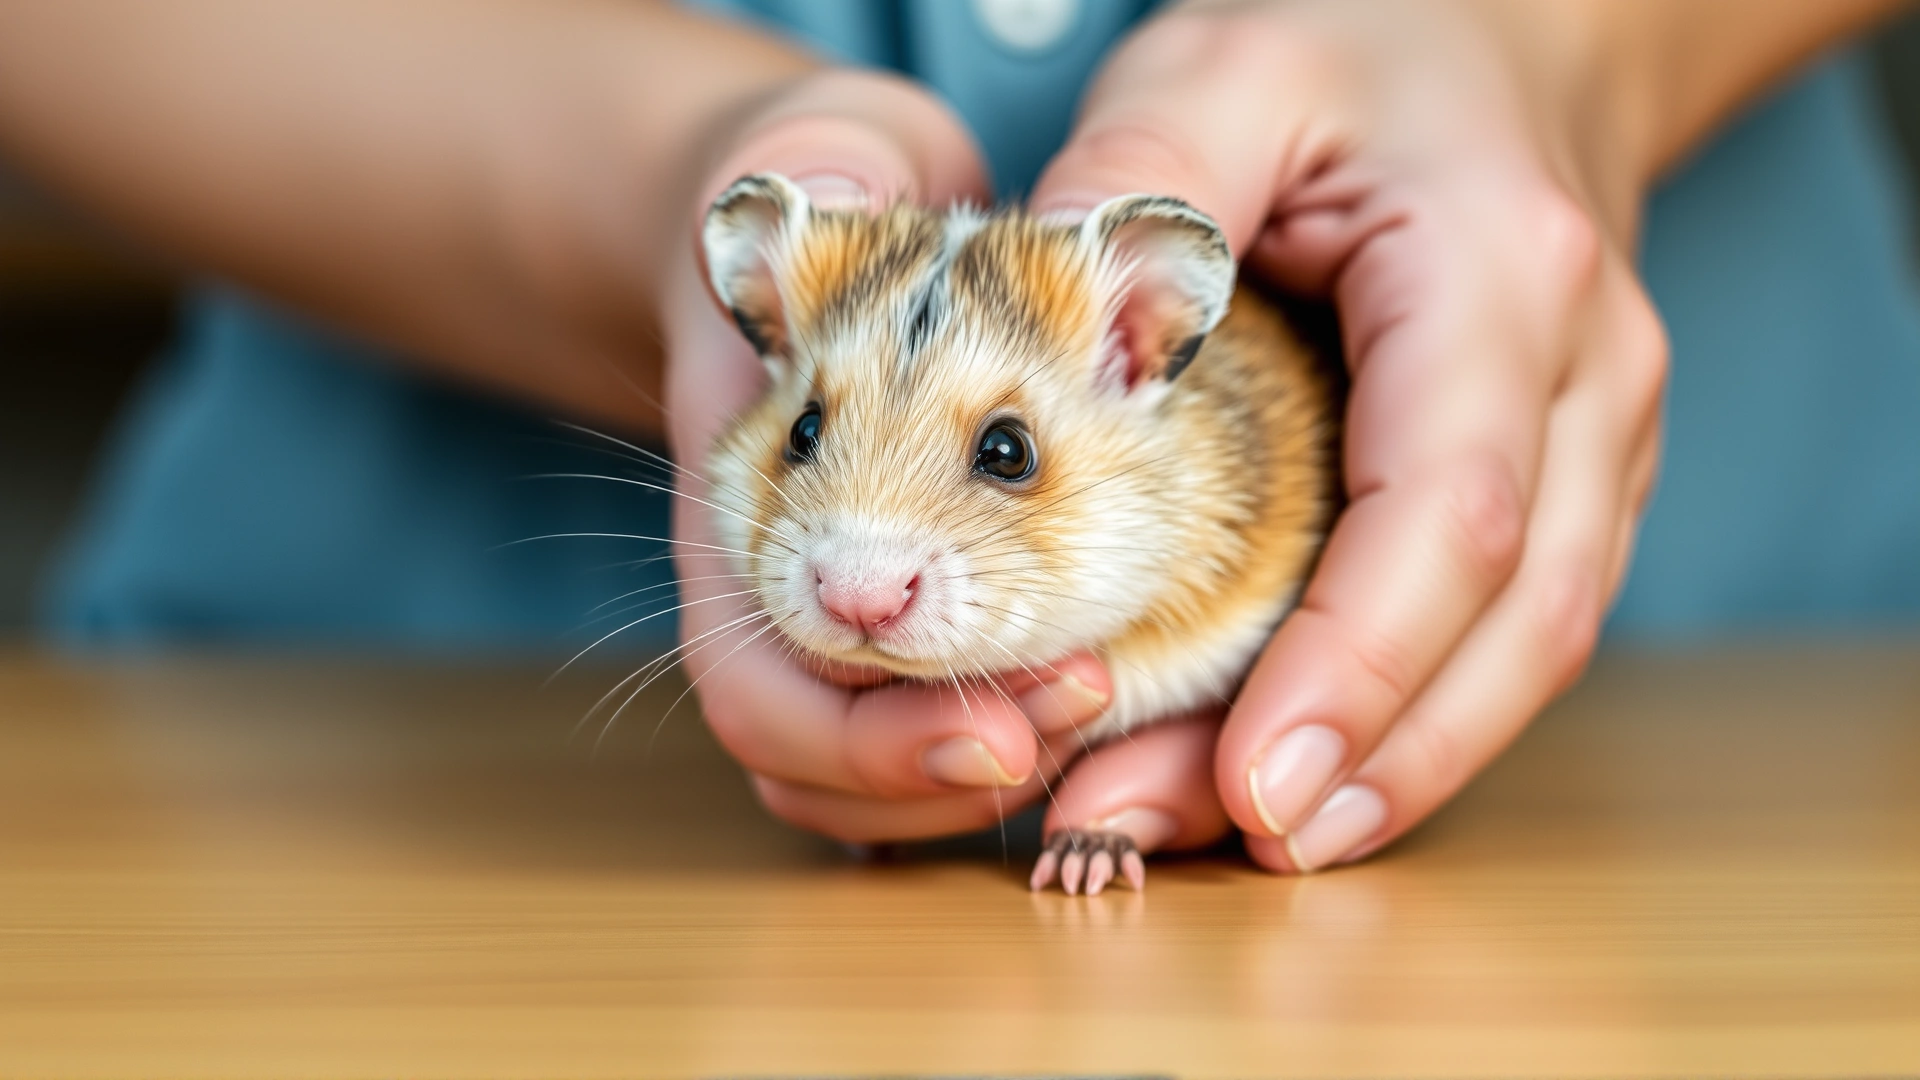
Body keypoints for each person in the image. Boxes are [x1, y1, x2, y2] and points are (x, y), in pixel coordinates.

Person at [1, 0, 1915, 875]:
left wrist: (1562, 40)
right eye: (815, 433)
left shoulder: (1211, 424)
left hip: (1755, 736)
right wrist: (646, 178)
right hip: (332, 773)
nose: (858, 563)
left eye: (996, 459)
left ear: (1149, 346)